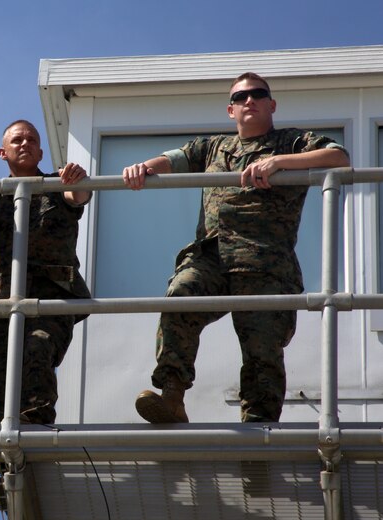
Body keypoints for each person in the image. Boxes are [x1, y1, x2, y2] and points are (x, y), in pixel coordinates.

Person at [122, 72, 350, 424]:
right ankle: (171, 398)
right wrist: (142, 168)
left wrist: (279, 162)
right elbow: (173, 159)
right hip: (211, 255)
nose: (249, 101)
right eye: (241, 97)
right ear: (231, 110)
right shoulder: (213, 146)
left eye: (258, 94)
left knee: (262, 354)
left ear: (271, 105)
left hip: (264, 263)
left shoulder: (291, 142)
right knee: (180, 294)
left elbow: (339, 157)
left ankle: (258, 435)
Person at [0, 120, 91, 427]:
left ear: (41, 152)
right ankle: (5, 466)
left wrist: (76, 181)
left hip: (51, 298)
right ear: (3, 153)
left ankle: (35, 446)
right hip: (2, 302)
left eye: (31, 139)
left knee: (37, 352)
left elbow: (77, 197)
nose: (24, 143)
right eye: (17, 140)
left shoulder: (57, 183)